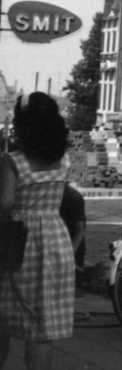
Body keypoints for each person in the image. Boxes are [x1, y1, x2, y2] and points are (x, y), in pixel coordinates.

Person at [0, 94, 75, 370]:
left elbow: (5, 204)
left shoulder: (12, 160)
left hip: (18, 240)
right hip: (55, 239)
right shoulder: (64, 159)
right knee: (43, 325)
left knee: (3, 318)